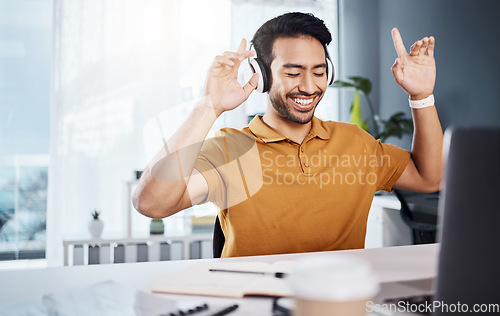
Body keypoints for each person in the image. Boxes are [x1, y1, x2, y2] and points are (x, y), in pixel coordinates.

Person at [133, 12, 443, 257]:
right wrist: (209, 107)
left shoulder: (355, 143)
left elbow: (429, 178)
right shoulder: (230, 150)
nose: (309, 87)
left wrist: (422, 96)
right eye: (293, 73)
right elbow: (152, 204)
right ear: (264, 76)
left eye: (319, 72)